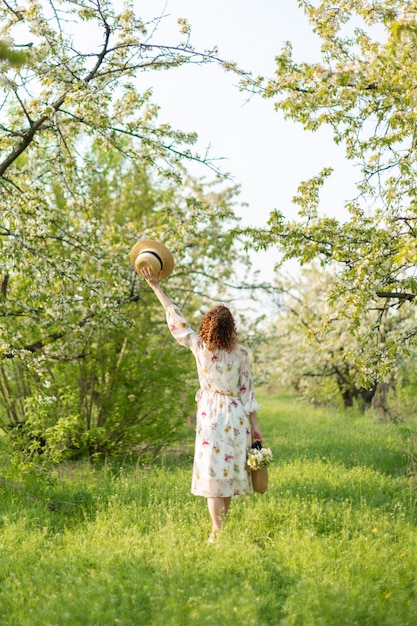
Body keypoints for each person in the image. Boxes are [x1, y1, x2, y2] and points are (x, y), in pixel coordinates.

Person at [141, 267, 263, 543]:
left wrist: (156, 287)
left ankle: (216, 532)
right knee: (228, 473)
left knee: (212, 476)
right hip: (236, 415)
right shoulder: (240, 354)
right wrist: (256, 426)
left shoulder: (200, 347)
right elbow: (247, 392)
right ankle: (220, 532)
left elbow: (177, 321)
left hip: (211, 416)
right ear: (231, 327)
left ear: (207, 324)